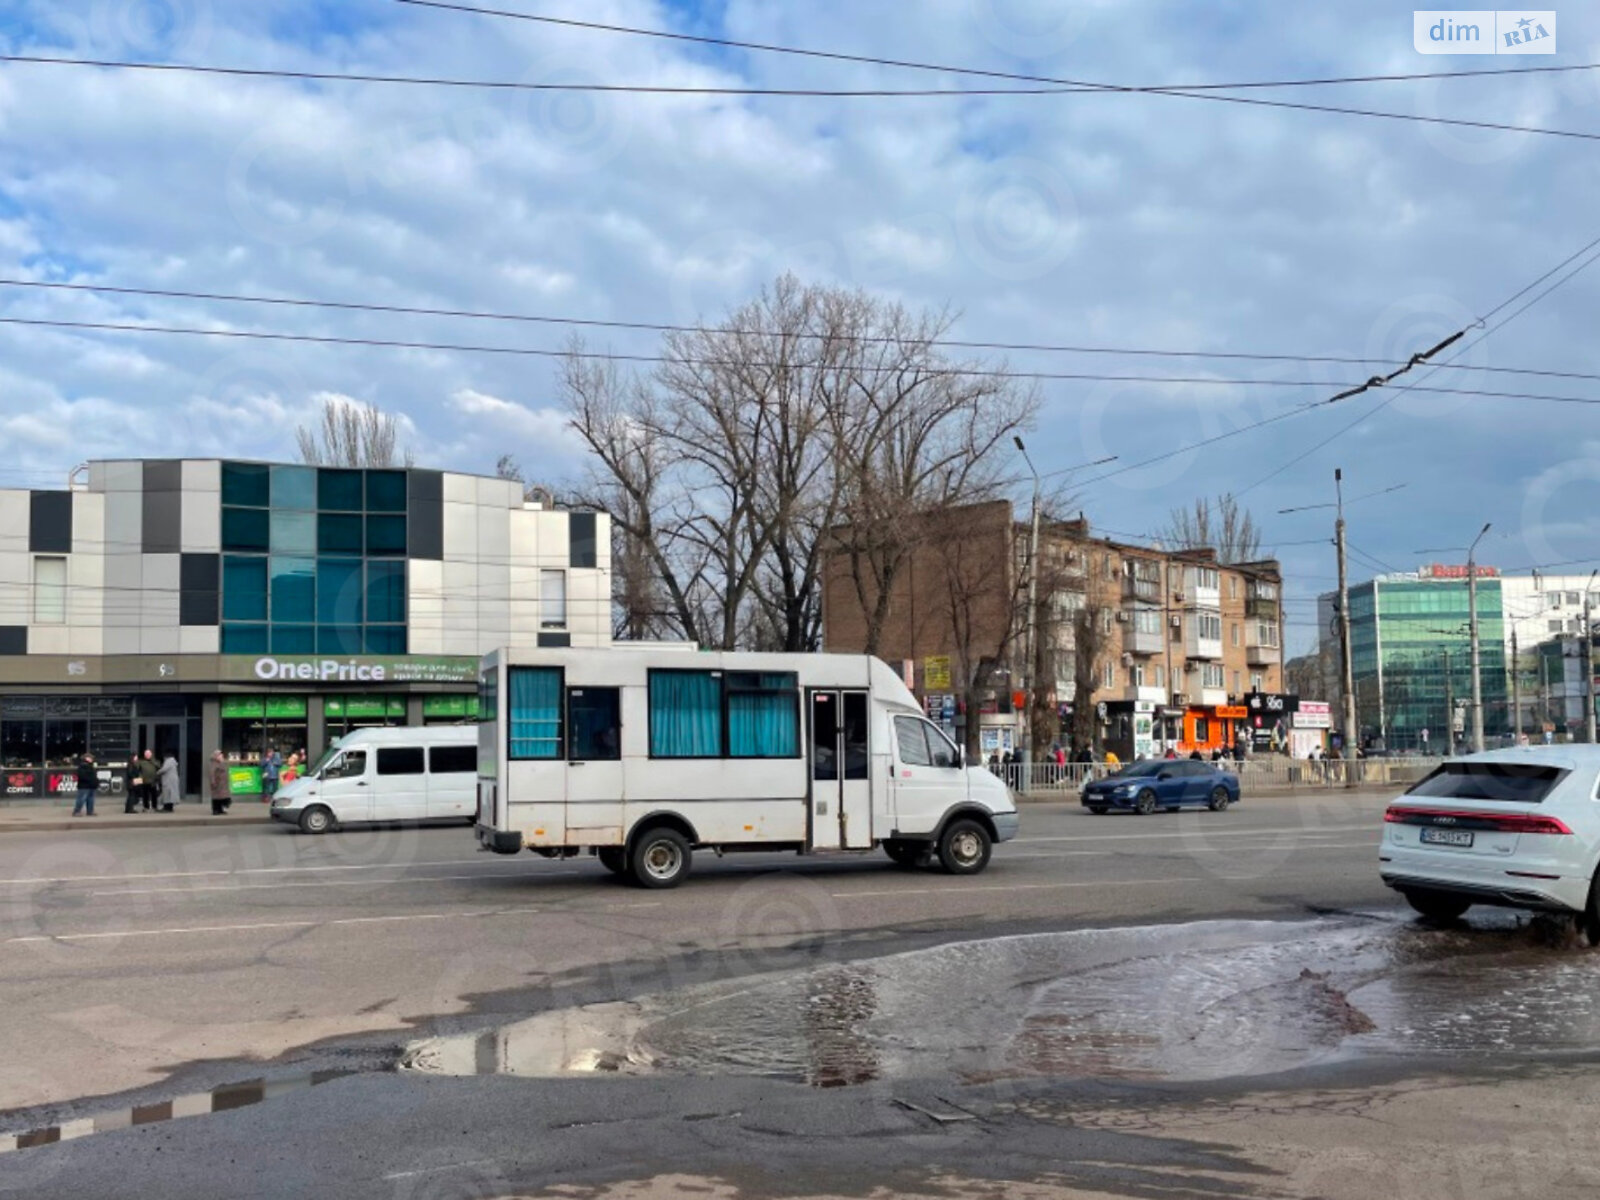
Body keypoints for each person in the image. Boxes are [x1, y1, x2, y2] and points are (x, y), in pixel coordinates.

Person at [72, 752, 99, 817]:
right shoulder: (82, 766)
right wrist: (92, 780)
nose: (92, 759)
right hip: (84, 786)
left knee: (90, 799)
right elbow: (82, 776)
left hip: (91, 786)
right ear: (86, 758)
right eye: (90, 758)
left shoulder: (90, 766)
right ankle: (77, 811)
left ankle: (90, 811)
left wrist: (96, 782)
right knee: (81, 799)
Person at [209, 750, 232, 816]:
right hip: (217, 783)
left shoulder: (221, 763)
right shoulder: (214, 764)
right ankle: (215, 810)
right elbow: (212, 773)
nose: (222, 756)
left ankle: (220, 809)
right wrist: (213, 782)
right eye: (220, 755)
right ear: (216, 756)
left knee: (222, 797)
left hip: (223, 784)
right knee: (216, 798)